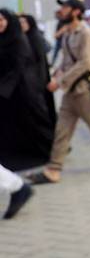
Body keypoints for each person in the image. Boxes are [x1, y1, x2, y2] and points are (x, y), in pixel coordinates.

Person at [27, 0, 90, 184]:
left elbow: (86, 63)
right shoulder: (67, 34)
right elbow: (66, 61)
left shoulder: (86, 33)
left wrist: (61, 81)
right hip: (70, 93)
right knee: (62, 131)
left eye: (66, 8)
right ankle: (54, 169)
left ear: (76, 12)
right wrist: (57, 74)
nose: (61, 11)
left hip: (84, 90)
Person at [0, 9, 55, 172]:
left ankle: (49, 152)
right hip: (8, 91)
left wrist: (4, 88)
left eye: (2, 20)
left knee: (33, 122)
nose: (0, 23)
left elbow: (19, 67)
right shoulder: (4, 39)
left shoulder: (19, 40)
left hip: (22, 90)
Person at [19, 13, 57, 126]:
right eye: (19, 23)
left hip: (38, 81)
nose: (21, 25)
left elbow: (41, 62)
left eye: (23, 22)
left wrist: (39, 82)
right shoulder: (22, 38)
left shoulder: (35, 38)